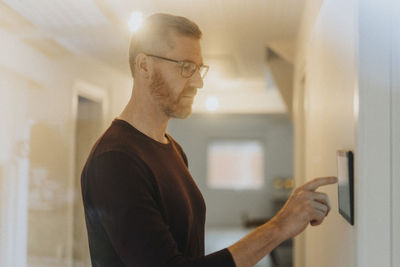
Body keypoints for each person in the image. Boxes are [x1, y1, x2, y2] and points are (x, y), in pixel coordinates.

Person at [81, 13, 338, 267]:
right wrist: (279, 227)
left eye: (199, 69)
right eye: (186, 67)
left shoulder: (172, 149)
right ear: (144, 65)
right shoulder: (115, 161)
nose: (199, 82)